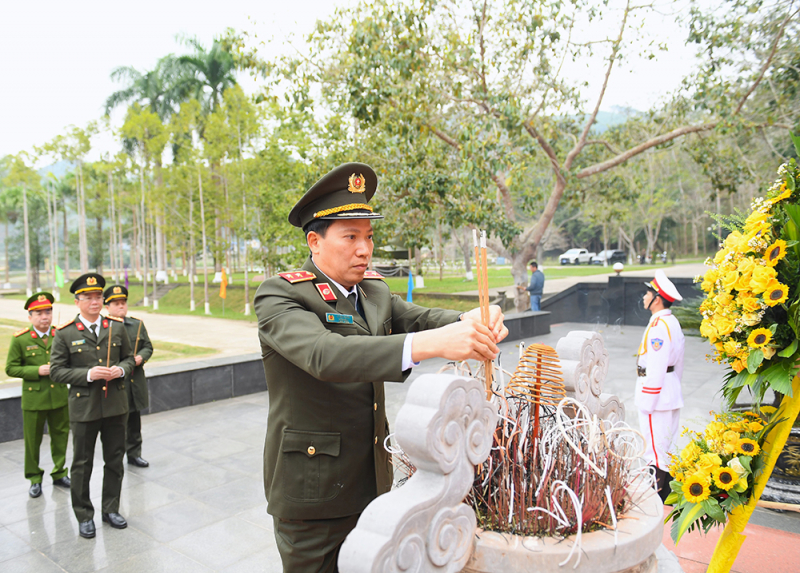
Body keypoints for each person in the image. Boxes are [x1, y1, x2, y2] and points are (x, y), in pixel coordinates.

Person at [254, 163, 508, 573]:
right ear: (315, 241)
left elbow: (421, 318)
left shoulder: (373, 290)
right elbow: (326, 355)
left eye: (369, 236)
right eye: (350, 237)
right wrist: (433, 345)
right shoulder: (281, 295)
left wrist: (473, 319)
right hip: (313, 490)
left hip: (372, 479)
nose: (364, 249)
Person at [50, 273, 135, 539]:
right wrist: (88, 375)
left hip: (115, 406)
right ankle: (84, 515)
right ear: (78, 302)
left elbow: (130, 359)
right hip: (83, 409)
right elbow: (56, 371)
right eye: (88, 297)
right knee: (82, 464)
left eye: (98, 297)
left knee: (114, 460)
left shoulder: (116, 327)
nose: (95, 301)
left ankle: (111, 509)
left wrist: (120, 371)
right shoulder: (64, 333)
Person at [5, 292, 70, 498]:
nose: (45, 317)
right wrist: (37, 371)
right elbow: (11, 368)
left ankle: (60, 472)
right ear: (30, 317)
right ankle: (34, 478)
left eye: (48, 312)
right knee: (32, 441)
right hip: (34, 399)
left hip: (58, 396)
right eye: (39, 313)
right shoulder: (21, 340)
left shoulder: (60, 335)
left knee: (60, 437)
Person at [635, 269, 685, 502]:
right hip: (669, 389)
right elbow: (679, 365)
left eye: (647, 294)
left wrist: (648, 399)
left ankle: (655, 496)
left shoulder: (659, 327)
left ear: (657, 299)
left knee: (654, 448)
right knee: (666, 445)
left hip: (658, 392)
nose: (644, 298)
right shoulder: (670, 322)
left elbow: (656, 365)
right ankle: (666, 494)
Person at [104, 284, 153, 468]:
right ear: (107, 307)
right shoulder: (103, 328)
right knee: (116, 424)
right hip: (116, 383)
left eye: (123, 302)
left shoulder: (136, 325)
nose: (121, 307)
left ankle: (134, 453)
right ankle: (115, 456)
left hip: (135, 382)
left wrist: (142, 357)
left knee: (134, 421)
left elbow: (148, 346)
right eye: (116, 303)